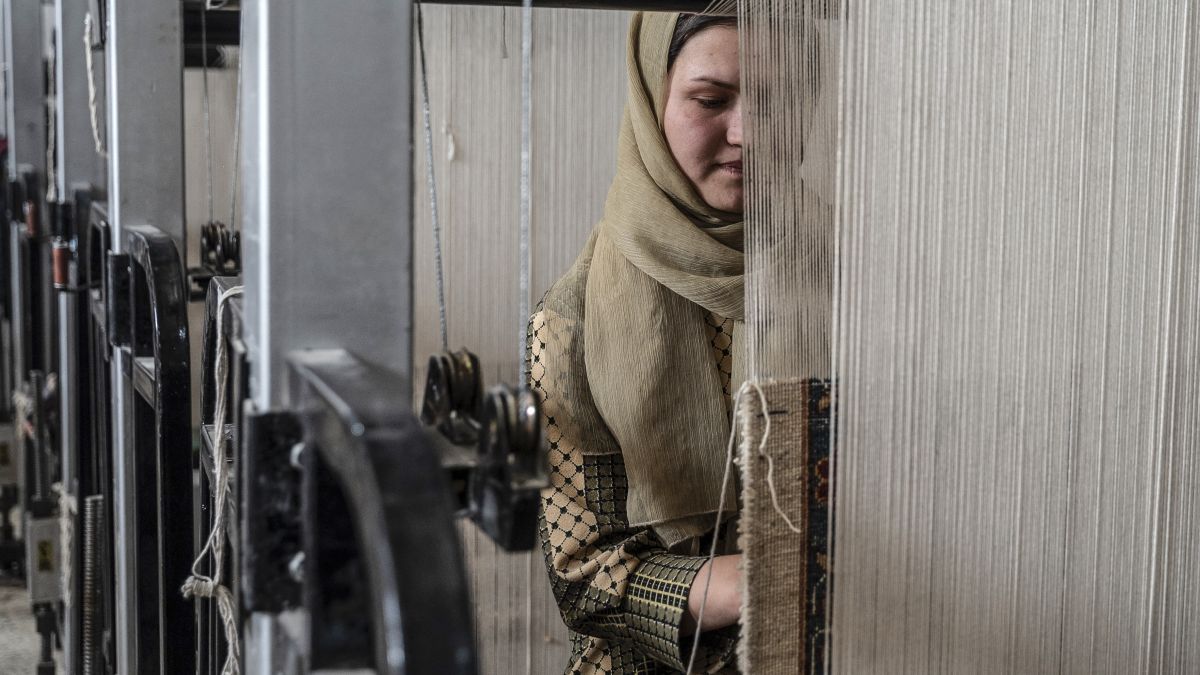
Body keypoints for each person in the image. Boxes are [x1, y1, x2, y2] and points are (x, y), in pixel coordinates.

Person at [529, 12, 745, 674]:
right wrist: (737, 583)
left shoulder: (854, 291)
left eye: (783, 101)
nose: (748, 133)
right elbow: (581, 578)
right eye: (711, 100)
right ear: (653, 98)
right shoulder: (572, 323)